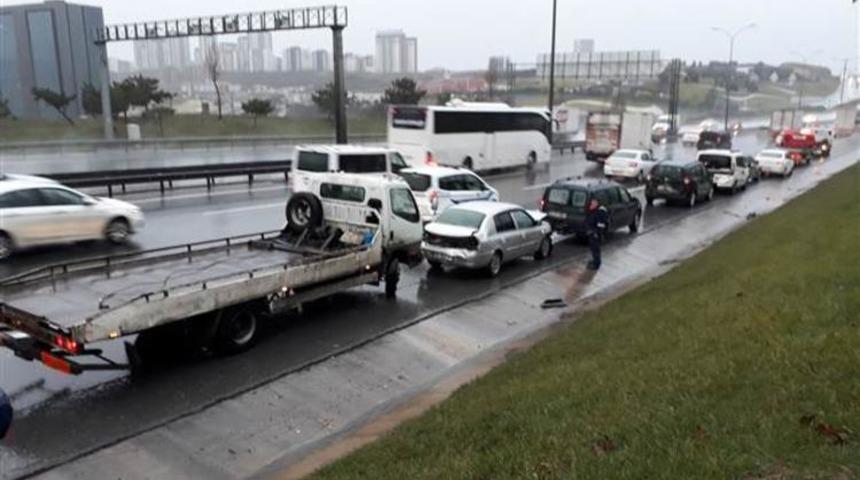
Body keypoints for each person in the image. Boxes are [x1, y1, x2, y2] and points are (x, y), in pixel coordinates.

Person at [585, 198, 609, 270]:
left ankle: (596, 264)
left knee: (596, 249)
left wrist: (596, 233)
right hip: (592, 233)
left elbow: (601, 225)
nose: (591, 205)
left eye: (593, 203)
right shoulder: (593, 211)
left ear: (597, 204)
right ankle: (595, 261)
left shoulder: (600, 212)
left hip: (596, 234)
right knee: (593, 249)